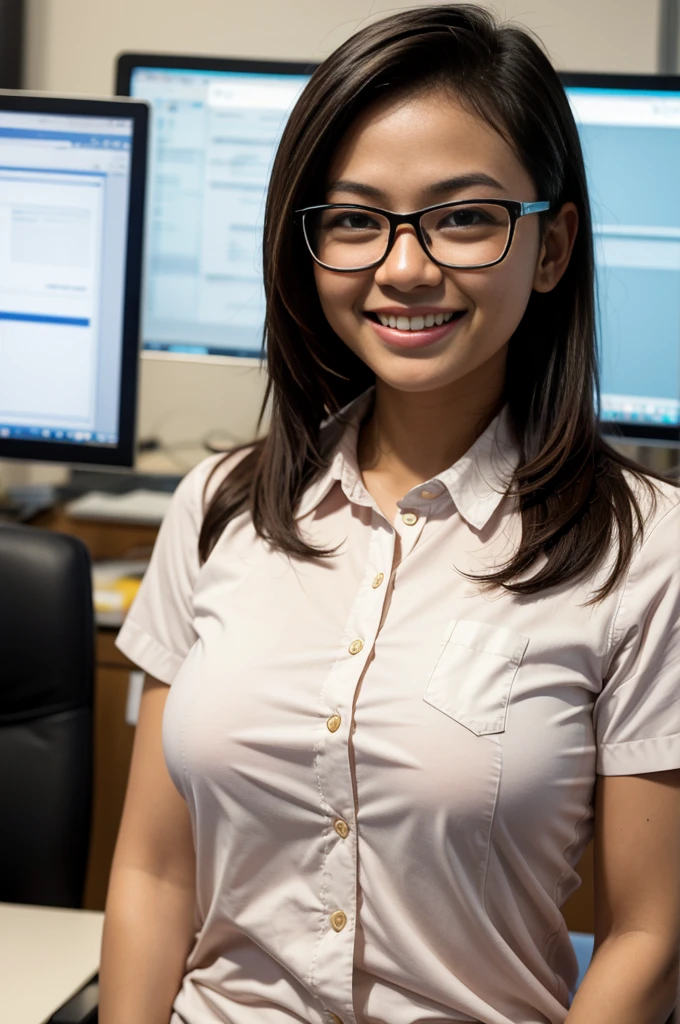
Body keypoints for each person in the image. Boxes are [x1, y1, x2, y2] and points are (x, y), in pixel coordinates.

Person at [98, 6, 680, 1024]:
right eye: (356, 219)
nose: (403, 268)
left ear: (549, 249)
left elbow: (647, 937)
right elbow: (153, 876)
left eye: (462, 217)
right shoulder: (218, 507)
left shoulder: (644, 549)